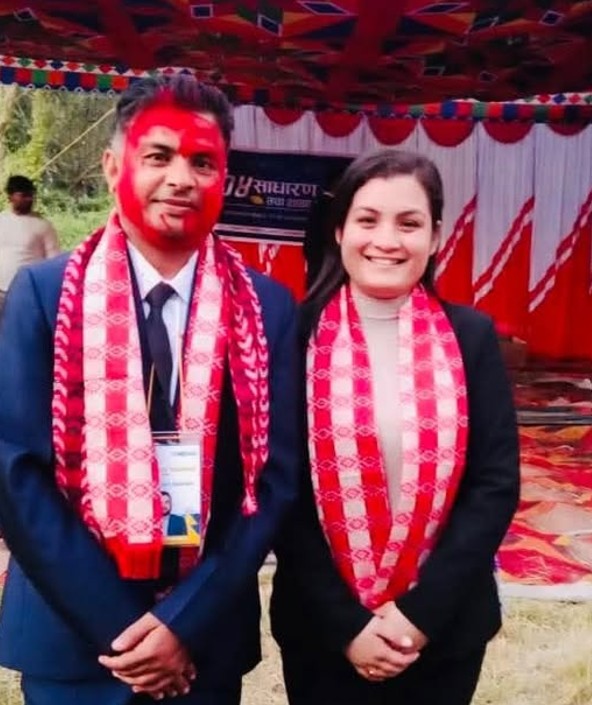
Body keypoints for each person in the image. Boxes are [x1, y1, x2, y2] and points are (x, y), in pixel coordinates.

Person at [0, 75, 300, 705]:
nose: (181, 179)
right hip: (72, 636)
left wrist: (181, 623)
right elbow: (15, 474)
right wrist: (120, 626)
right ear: (114, 166)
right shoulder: (45, 296)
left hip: (204, 640)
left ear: (224, 176)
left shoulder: (266, 308)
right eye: (158, 156)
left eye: (202, 162)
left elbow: (272, 482)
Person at [271, 149, 520, 705]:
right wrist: (348, 626)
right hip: (324, 631)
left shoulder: (472, 338)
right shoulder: (293, 336)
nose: (386, 240)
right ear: (340, 230)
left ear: (435, 238)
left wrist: (419, 616)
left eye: (408, 223)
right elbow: (279, 489)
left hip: (443, 629)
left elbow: (495, 486)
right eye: (368, 220)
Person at [0, 174, 59, 317]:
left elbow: (54, 261)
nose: (29, 199)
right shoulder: (2, 220)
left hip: (29, 292)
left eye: (31, 195)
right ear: (10, 197)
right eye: (23, 195)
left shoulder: (43, 225)